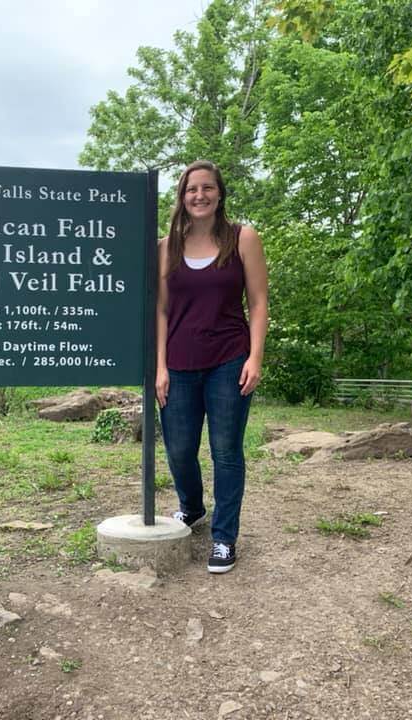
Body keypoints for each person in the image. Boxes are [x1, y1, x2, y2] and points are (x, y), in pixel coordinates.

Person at [156, 160, 268, 574]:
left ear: (220, 193)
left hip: (229, 360)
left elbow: (258, 303)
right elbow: (162, 311)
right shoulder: (165, 247)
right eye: (191, 189)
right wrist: (160, 367)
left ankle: (224, 538)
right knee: (180, 449)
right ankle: (191, 507)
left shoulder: (243, 239)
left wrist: (255, 357)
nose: (199, 195)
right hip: (179, 363)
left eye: (207, 188)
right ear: (182, 197)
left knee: (226, 451)